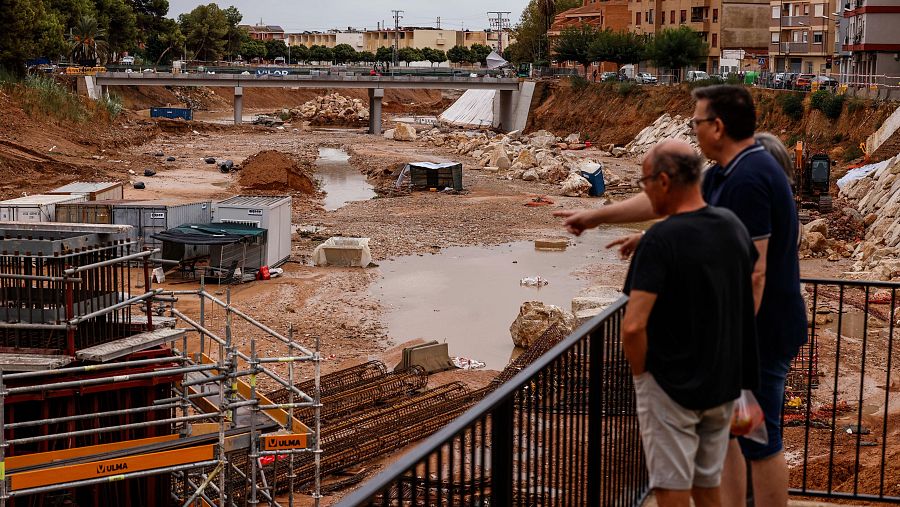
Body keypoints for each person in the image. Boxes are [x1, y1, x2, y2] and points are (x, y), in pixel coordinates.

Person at [556, 84, 807, 507]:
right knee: (732, 437)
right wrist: (598, 217)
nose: (693, 129)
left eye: (696, 122)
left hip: (758, 334)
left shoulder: (749, 178)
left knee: (761, 440)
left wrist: (732, 345)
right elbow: (673, 204)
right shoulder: (729, 171)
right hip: (742, 337)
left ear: (718, 126)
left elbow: (755, 273)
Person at [623, 139, 758, 507]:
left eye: (645, 181)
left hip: (671, 387)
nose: (645, 189)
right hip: (721, 384)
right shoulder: (732, 226)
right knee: (706, 484)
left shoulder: (661, 240)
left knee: (671, 488)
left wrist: (643, 379)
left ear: (664, 181)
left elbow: (633, 326)